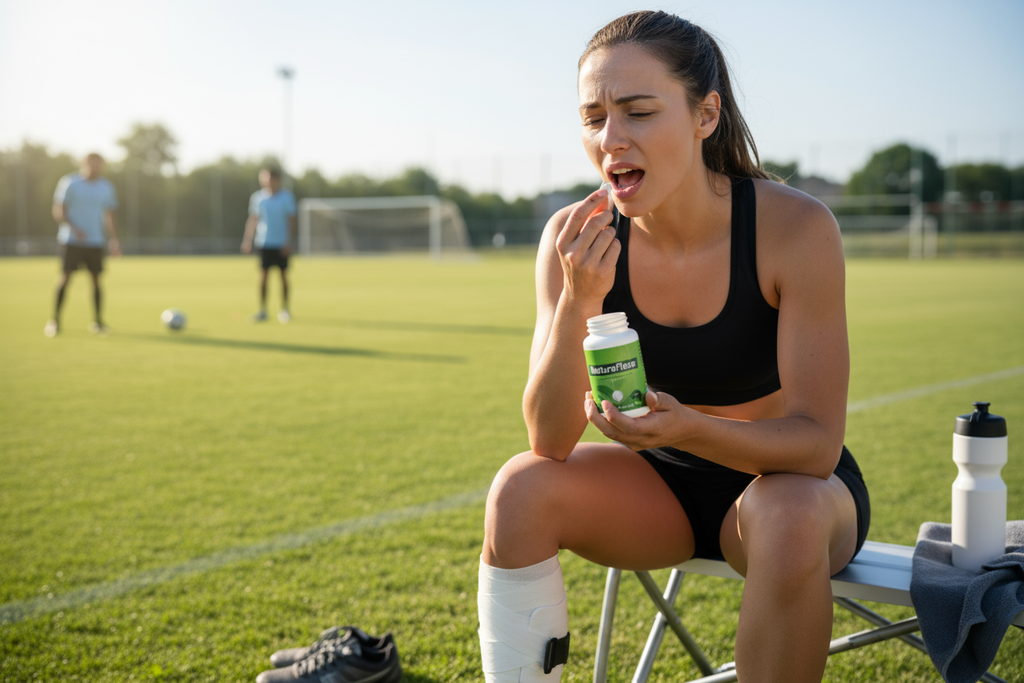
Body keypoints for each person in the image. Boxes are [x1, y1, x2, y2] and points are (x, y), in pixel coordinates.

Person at [478, 11, 870, 683]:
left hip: (786, 487)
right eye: (593, 117)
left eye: (637, 111)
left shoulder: (795, 227)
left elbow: (815, 446)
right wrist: (582, 298)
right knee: (520, 487)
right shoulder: (573, 237)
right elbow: (548, 437)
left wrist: (689, 425)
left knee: (788, 512)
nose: (612, 138)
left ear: (705, 115)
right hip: (657, 488)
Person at [45, 152, 121, 337]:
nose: (96, 167)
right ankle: (54, 321)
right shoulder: (70, 182)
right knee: (65, 278)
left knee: (96, 280)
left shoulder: (106, 187)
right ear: (84, 164)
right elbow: (58, 210)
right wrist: (74, 228)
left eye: (99, 164)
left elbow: (108, 215)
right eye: (92, 164)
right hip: (71, 240)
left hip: (95, 241)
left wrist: (113, 238)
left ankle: (98, 322)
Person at [241, 166, 297, 323]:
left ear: (277, 180)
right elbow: (253, 219)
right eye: (264, 178)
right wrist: (247, 240)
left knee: (283, 276)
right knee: (263, 277)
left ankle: (285, 309)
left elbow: (290, 220)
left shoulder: (286, 197)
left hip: (281, 242)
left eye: (270, 178)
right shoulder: (257, 198)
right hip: (263, 242)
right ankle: (263, 310)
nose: (267, 181)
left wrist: (288, 241)